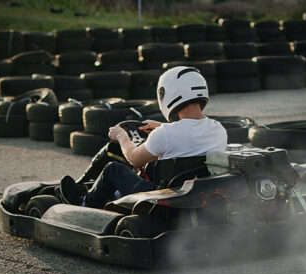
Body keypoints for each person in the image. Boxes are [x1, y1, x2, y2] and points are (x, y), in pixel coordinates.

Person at [58, 66, 227, 209]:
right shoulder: (218, 129)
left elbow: (134, 159)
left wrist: (121, 135)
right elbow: (189, 135)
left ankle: (84, 202)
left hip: (159, 197)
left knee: (113, 169)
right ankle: (107, 191)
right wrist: (161, 126)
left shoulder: (166, 135)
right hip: (194, 194)